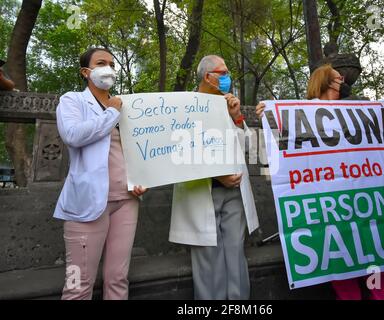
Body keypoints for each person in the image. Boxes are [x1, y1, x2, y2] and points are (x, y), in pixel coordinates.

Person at [256, 63, 384, 300]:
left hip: (359, 201)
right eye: (339, 78)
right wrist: (267, 114)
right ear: (326, 82)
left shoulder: (356, 109)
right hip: (329, 207)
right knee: (343, 268)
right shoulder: (303, 112)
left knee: (374, 266)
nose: (344, 82)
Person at [54, 47, 147, 300]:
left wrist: (141, 179)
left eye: (112, 64)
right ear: (86, 72)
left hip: (126, 201)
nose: (108, 68)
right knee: (78, 284)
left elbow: (136, 151)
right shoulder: (72, 100)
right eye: (101, 63)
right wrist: (112, 113)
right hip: (87, 202)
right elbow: (73, 136)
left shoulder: (126, 106)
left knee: (118, 278)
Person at [169, 55, 260, 300]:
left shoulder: (227, 104)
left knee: (235, 252)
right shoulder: (183, 105)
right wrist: (218, 175)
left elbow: (248, 149)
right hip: (201, 191)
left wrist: (237, 117)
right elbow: (178, 149)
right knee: (208, 259)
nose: (227, 78)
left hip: (234, 192)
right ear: (207, 77)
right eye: (223, 73)